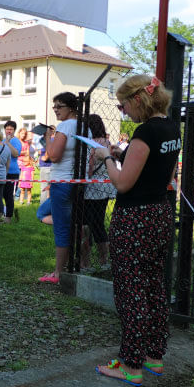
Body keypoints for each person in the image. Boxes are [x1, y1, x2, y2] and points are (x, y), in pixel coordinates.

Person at [94, 75, 179, 386]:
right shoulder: (170, 128)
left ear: (138, 100)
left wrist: (106, 158)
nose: (123, 111)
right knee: (154, 286)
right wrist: (124, 156)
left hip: (134, 219)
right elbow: (165, 173)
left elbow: (123, 183)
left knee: (131, 290)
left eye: (123, 104)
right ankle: (154, 357)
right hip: (160, 214)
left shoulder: (145, 132)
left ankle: (130, 365)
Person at [39, 92, 81, 284]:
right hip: (75, 181)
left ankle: (57, 273)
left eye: (59, 106)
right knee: (43, 212)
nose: (55, 110)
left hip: (61, 181)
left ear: (71, 108)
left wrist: (48, 138)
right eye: (54, 106)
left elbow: (54, 156)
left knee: (62, 229)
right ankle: (70, 261)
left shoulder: (65, 126)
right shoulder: (83, 126)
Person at [81, 114, 115, 271]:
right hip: (105, 187)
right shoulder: (107, 142)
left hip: (92, 188)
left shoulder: (90, 143)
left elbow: (89, 167)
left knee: (86, 225)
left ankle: (85, 262)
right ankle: (104, 261)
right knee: (99, 224)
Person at [2, 120, 22, 222]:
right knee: (0, 195)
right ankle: (1, 214)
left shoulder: (16, 141)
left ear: (14, 130)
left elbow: (15, 154)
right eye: (7, 129)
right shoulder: (2, 140)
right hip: (2, 172)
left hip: (12, 172)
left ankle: (8, 217)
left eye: (11, 129)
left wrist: (8, 143)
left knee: (8, 195)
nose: (9, 131)